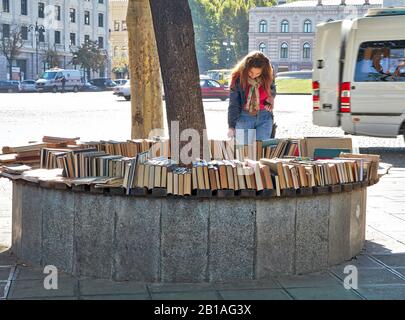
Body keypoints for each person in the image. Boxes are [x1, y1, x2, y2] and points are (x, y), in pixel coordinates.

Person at [227, 51, 277, 144]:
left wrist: (271, 98)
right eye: (251, 72)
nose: (253, 76)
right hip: (244, 117)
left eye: (258, 73)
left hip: (265, 117)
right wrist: (231, 126)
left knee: (261, 152)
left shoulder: (267, 76)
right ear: (245, 68)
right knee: (244, 153)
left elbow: (272, 89)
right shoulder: (238, 79)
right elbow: (233, 104)